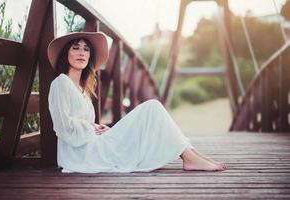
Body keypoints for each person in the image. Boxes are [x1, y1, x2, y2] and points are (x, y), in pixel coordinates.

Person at [47, 32, 226, 173]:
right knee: (152, 108)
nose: (81, 53)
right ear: (66, 54)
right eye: (75, 48)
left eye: (86, 49)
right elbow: (63, 128)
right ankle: (190, 157)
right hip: (81, 156)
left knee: (153, 108)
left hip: (92, 145)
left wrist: (99, 128)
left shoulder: (83, 90)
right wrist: (91, 128)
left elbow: (82, 124)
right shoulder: (61, 83)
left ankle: (192, 154)